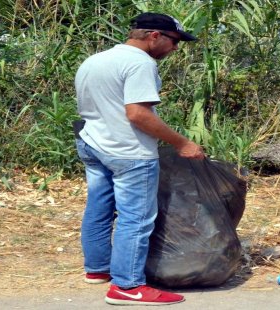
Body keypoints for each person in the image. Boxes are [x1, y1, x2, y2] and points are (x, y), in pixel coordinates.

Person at [74, 12, 204, 305]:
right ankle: (128, 285)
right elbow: (137, 114)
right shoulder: (141, 63)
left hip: (93, 144)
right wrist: (183, 143)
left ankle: (98, 270)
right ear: (154, 36)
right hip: (128, 152)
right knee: (136, 219)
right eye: (174, 41)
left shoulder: (95, 60)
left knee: (99, 209)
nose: (175, 49)